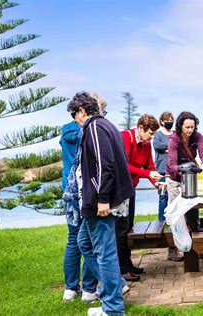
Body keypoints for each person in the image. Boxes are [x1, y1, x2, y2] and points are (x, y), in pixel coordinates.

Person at [68, 92, 135, 316]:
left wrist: (102, 199)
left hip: (101, 203)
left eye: (74, 113)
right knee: (83, 243)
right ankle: (114, 290)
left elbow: (104, 164)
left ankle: (113, 309)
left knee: (105, 253)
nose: (74, 119)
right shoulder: (107, 126)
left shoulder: (94, 127)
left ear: (82, 111)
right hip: (101, 200)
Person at [60, 93, 107, 302]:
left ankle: (70, 289)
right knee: (90, 240)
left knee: (73, 240)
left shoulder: (65, 130)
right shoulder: (89, 130)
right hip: (84, 190)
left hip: (68, 190)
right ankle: (88, 289)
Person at [118, 114, 162, 281]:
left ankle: (128, 264)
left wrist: (156, 183)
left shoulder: (146, 142)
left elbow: (149, 165)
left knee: (128, 227)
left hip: (131, 189)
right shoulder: (125, 137)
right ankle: (122, 269)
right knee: (121, 230)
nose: (151, 137)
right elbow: (125, 166)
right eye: (150, 133)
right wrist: (147, 173)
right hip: (120, 190)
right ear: (141, 128)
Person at [166, 111, 203, 261]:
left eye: (192, 127)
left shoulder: (197, 136)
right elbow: (171, 164)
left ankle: (196, 246)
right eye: (187, 127)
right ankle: (174, 248)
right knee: (175, 214)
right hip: (175, 179)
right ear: (180, 126)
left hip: (190, 178)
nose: (190, 130)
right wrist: (183, 171)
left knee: (192, 210)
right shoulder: (174, 139)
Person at [153, 111, 174, 221]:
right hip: (161, 170)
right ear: (161, 121)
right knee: (162, 196)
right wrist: (170, 147)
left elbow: (178, 146)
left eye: (171, 120)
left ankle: (173, 220)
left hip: (174, 170)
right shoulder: (158, 134)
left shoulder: (174, 133)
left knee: (174, 196)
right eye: (167, 120)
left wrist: (168, 149)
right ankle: (161, 220)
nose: (169, 122)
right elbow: (157, 145)